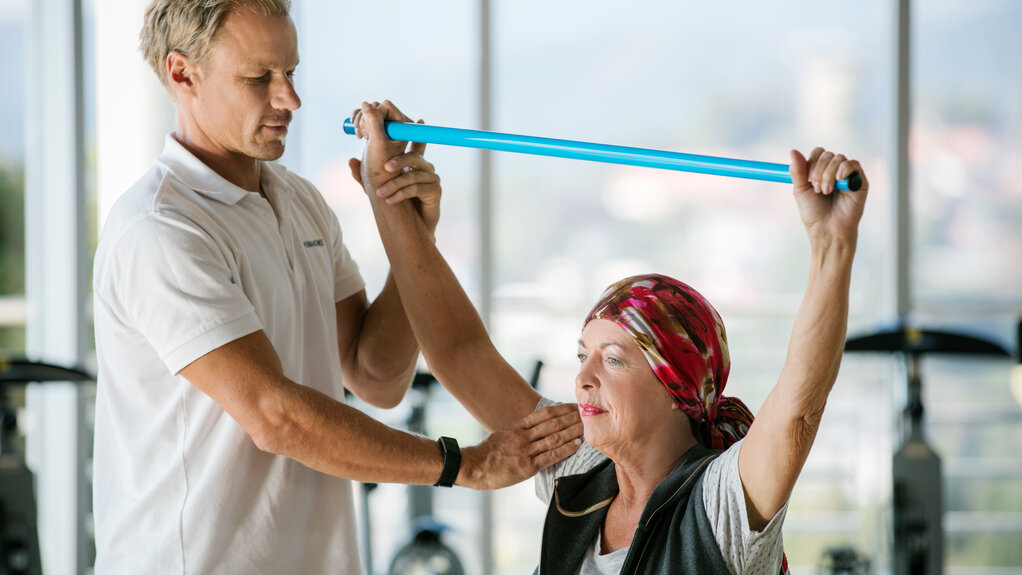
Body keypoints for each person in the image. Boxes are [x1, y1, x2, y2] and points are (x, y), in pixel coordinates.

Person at [91, 2, 581, 573]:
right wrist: (465, 464)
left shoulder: (299, 202)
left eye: (291, 74)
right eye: (259, 79)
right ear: (182, 74)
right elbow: (275, 415)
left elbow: (375, 376)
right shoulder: (160, 228)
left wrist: (409, 236)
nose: (289, 100)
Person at [353, 103, 868, 574]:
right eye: (583, 355)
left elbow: (799, 406)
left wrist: (831, 245)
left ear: (677, 388)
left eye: (614, 359)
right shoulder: (579, 465)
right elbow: (459, 352)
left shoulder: (720, 501)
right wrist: (392, 199)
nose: (583, 378)